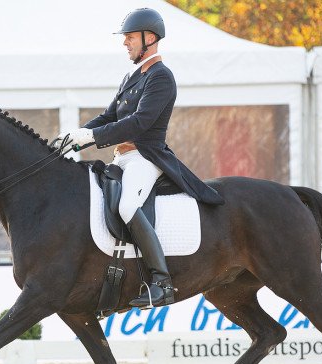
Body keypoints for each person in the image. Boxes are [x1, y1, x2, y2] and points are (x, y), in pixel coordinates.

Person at [57, 8, 224, 308]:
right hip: (121, 158)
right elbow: (109, 116)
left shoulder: (161, 77)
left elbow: (138, 123)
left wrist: (93, 138)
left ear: (151, 38)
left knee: (127, 205)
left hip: (145, 157)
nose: (125, 44)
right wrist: (77, 135)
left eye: (131, 37)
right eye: (126, 38)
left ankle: (162, 282)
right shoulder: (131, 77)